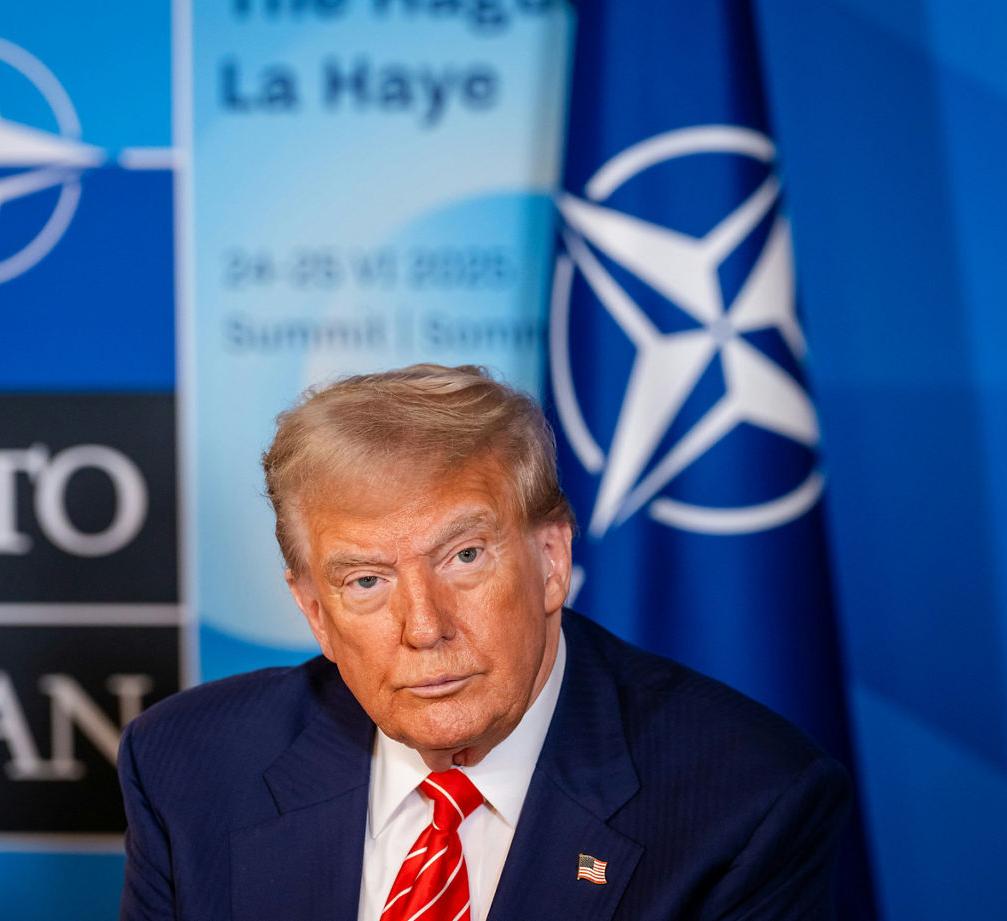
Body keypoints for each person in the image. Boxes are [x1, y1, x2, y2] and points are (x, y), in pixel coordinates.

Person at [117, 363, 850, 921]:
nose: (424, 626)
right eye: (366, 580)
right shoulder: (190, 768)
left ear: (551, 562)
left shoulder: (748, 801)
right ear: (314, 611)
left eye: (464, 556)